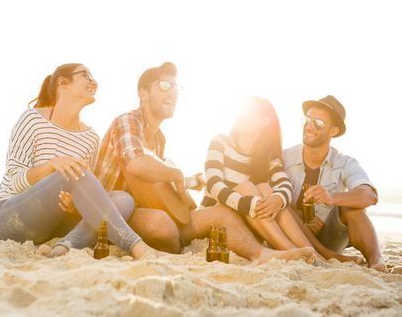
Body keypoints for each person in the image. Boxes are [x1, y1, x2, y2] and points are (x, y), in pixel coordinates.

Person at [93, 62, 315, 264]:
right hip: (116, 212)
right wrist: (177, 175)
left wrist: (189, 181)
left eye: (175, 87)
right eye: (163, 85)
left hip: (146, 209)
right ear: (143, 94)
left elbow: (153, 184)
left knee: (222, 214)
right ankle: (166, 244)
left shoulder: (160, 139)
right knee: (163, 225)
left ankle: (260, 254)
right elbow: (136, 165)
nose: (171, 91)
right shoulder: (128, 121)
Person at [0, 63, 163, 259]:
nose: (94, 82)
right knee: (72, 171)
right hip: (12, 219)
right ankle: (137, 247)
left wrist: (74, 204)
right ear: (63, 83)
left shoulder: (90, 138)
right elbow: (14, 179)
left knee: (123, 199)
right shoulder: (32, 119)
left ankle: (65, 247)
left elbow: (82, 187)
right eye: (86, 75)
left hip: (54, 227)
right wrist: (53, 165)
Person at [201, 96, 330, 261]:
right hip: (219, 217)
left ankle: (313, 253)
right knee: (248, 187)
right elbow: (213, 185)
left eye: (250, 112)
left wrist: (277, 199)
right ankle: (290, 250)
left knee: (267, 190)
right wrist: (249, 204)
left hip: (249, 221)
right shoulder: (220, 141)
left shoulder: (267, 156)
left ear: (264, 122)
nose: (242, 114)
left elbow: (285, 185)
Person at [283, 95, 386, 271]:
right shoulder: (284, 158)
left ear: (334, 131)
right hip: (291, 235)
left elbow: (370, 195)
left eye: (319, 123)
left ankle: (376, 261)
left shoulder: (345, 163)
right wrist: (300, 219)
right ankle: (324, 254)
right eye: (307, 119)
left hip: (330, 238)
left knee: (352, 207)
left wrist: (332, 197)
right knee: (279, 203)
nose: (309, 126)